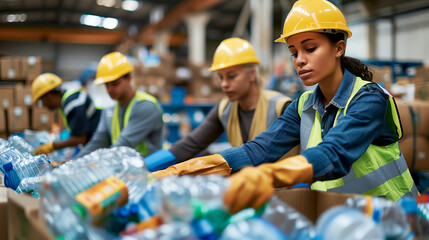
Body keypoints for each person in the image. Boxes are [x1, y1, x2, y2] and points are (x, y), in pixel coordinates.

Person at [155, 0, 418, 214]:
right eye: (294, 53)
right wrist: (180, 171)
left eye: (310, 48)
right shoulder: (302, 105)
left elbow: (334, 154)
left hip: (394, 217)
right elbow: (259, 149)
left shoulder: (369, 98)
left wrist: (266, 176)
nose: (300, 61)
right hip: (342, 218)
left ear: (339, 48)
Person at [145, 37, 296, 172]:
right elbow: (191, 144)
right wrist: (144, 167)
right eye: (220, 77)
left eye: (231, 76)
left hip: (287, 191)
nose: (224, 84)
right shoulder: (225, 109)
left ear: (252, 74)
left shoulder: (281, 107)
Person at [74, 52, 163, 158]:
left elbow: (124, 145)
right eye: (106, 85)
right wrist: (73, 164)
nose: (110, 90)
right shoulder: (109, 110)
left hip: (147, 170)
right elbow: (97, 143)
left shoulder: (146, 107)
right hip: (124, 166)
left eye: (115, 83)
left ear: (129, 78)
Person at [32, 73, 101, 155]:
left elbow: (80, 138)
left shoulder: (72, 103)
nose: (43, 105)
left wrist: (52, 146)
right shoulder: (67, 100)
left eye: (41, 101)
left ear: (48, 96)